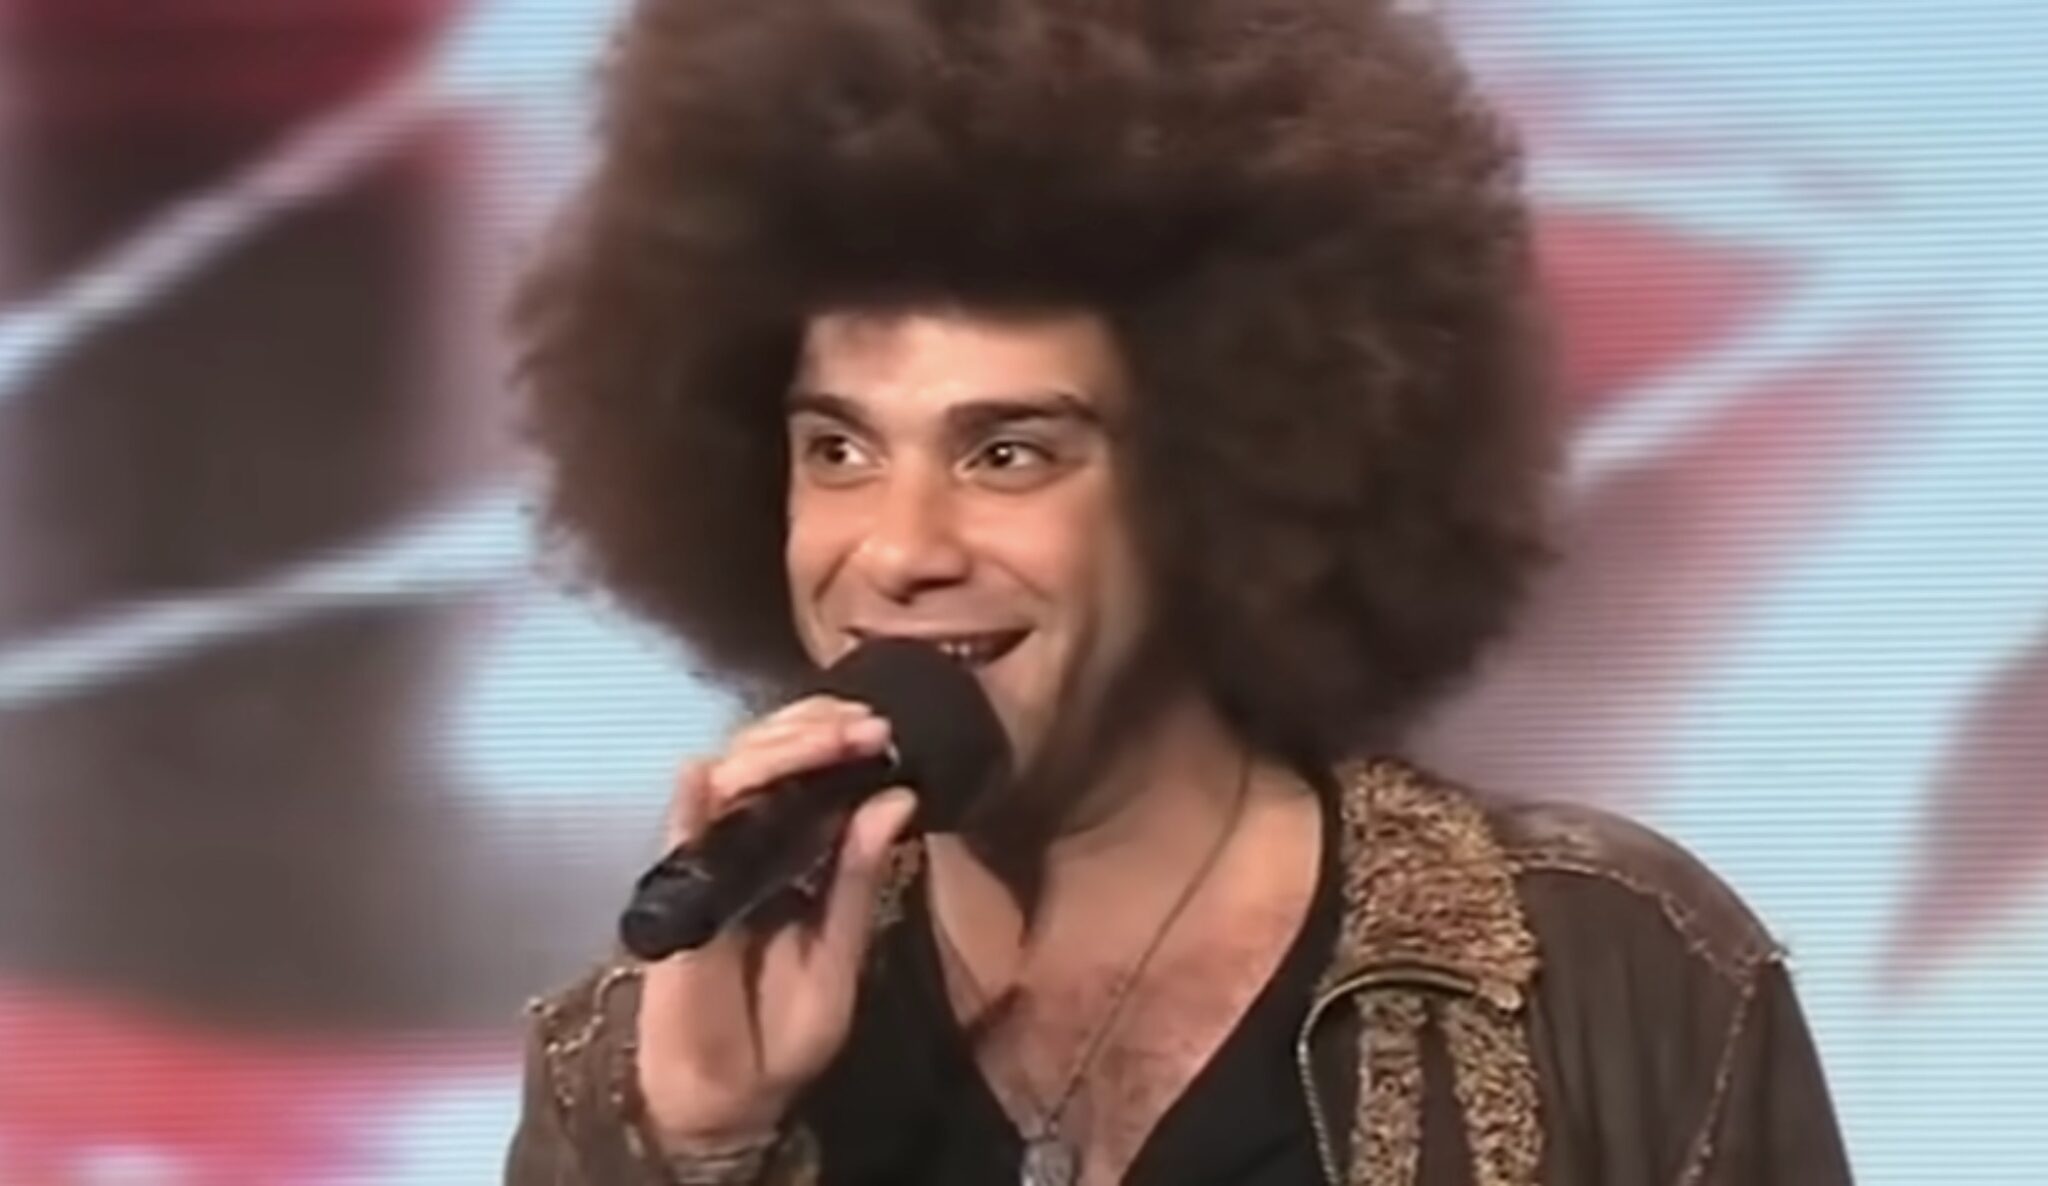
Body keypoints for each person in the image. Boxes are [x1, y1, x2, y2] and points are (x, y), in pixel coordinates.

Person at [501, 0, 1854, 1182]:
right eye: (839, 451)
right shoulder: (646, 1060)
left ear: (1218, 471)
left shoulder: (1610, 969)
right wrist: (701, 1150)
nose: (900, 548)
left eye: (1007, 452)